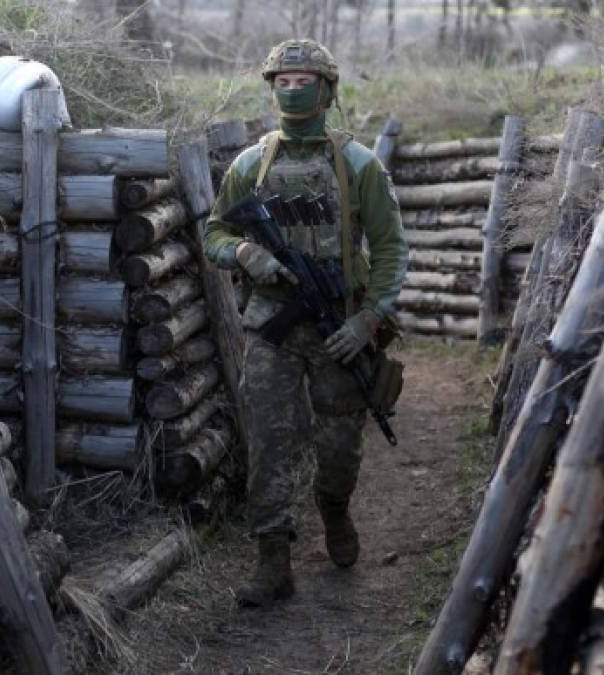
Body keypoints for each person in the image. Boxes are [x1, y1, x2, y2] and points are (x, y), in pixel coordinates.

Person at [203, 39, 408, 607]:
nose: (291, 89)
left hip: (340, 329)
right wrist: (247, 256)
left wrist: (369, 320)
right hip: (272, 324)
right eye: (282, 81)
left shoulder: (359, 165)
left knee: (340, 445)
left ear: (328, 89)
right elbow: (215, 231)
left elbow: (391, 248)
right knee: (268, 441)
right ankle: (273, 560)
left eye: (303, 80)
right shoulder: (251, 164)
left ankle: (335, 509)